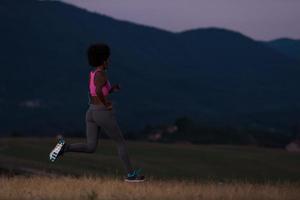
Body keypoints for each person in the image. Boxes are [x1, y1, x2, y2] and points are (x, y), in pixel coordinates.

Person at [49, 43, 144, 182]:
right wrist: (107, 104)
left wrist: (112, 89)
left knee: (90, 147)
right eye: (108, 58)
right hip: (102, 112)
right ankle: (131, 175)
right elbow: (99, 91)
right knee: (120, 143)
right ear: (103, 60)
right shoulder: (102, 74)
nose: (109, 61)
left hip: (91, 112)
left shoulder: (93, 73)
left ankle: (64, 147)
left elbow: (95, 91)